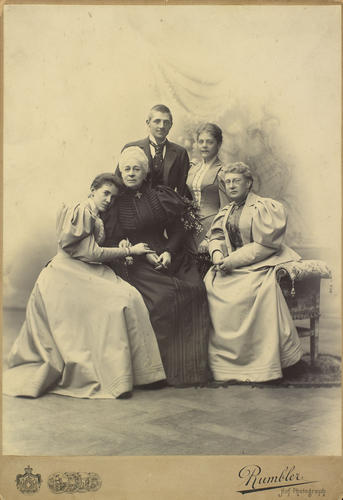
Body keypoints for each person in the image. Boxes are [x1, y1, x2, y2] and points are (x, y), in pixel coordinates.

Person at [4, 173, 166, 400]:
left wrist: (121, 246)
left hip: (84, 271)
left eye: (113, 196)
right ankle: (115, 377)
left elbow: (93, 250)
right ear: (92, 190)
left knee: (131, 295)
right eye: (105, 193)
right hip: (65, 274)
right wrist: (130, 251)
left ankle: (145, 374)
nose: (109, 200)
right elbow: (90, 252)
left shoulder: (95, 215)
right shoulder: (81, 211)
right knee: (116, 304)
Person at [106, 147, 210, 387]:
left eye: (136, 169)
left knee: (194, 289)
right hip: (134, 260)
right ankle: (160, 372)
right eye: (127, 169)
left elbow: (179, 228)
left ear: (145, 173)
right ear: (121, 172)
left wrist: (168, 252)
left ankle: (191, 370)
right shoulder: (114, 200)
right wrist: (127, 245)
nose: (131, 174)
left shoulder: (159, 195)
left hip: (167, 254)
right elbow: (111, 234)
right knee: (162, 298)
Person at [204, 162, 303, 383]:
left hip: (260, 260)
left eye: (236, 181)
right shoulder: (226, 211)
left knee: (252, 292)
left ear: (248, 183)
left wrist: (233, 261)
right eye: (227, 182)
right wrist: (218, 256)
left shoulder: (264, 207)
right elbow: (216, 237)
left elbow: (265, 246)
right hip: (230, 263)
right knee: (211, 285)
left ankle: (259, 362)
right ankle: (225, 365)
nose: (231, 185)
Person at [117, 104, 190, 196]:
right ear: (148, 123)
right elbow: (118, 183)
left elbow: (183, 189)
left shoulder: (180, 153)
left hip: (168, 208)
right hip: (137, 206)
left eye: (166, 122)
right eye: (157, 121)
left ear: (171, 125)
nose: (162, 126)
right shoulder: (131, 148)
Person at [186, 123, 229, 275]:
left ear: (218, 144)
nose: (204, 146)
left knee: (206, 272)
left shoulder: (223, 171)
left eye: (209, 142)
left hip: (211, 229)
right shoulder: (193, 168)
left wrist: (210, 238)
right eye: (201, 141)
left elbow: (226, 210)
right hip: (190, 229)